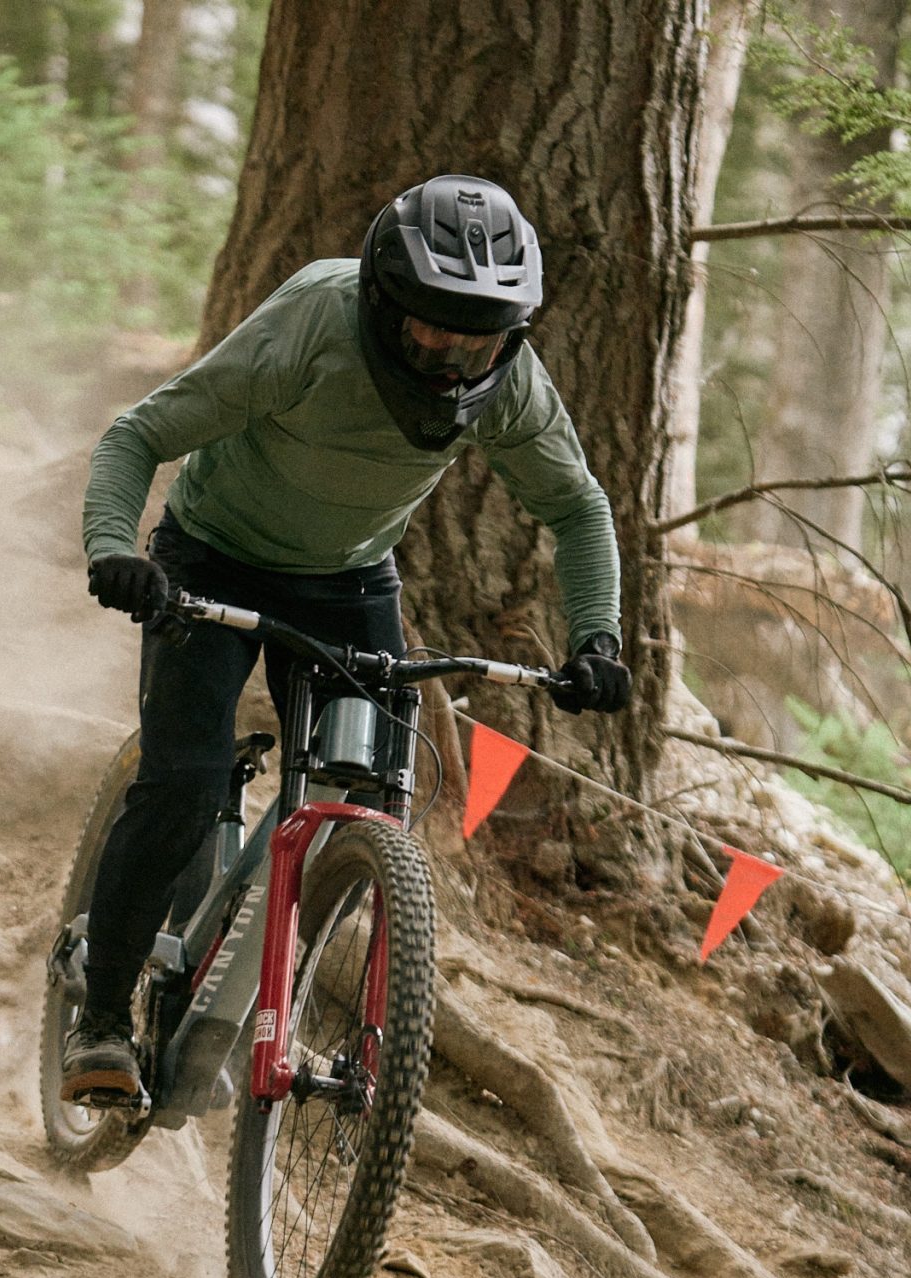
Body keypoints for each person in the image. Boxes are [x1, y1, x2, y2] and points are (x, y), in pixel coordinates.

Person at [63, 175, 632, 1104]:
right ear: (379, 302)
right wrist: (116, 552)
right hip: (213, 555)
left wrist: (598, 638)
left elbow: (577, 506)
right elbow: (139, 435)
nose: (452, 363)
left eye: (478, 340)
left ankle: (265, 1002)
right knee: (184, 782)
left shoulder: (506, 385)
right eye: (431, 332)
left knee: (376, 800)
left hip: (351, 579)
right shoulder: (312, 330)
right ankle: (100, 1015)